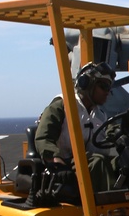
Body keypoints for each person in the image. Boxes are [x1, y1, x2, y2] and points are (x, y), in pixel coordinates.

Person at [34, 61, 117, 192]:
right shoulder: (62, 106)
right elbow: (43, 138)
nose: (107, 92)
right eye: (104, 86)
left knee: (123, 161)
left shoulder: (100, 115)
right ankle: (108, 207)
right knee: (98, 162)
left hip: (85, 162)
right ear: (86, 84)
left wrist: (119, 136)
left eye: (109, 88)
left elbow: (110, 131)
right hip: (63, 164)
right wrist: (56, 162)